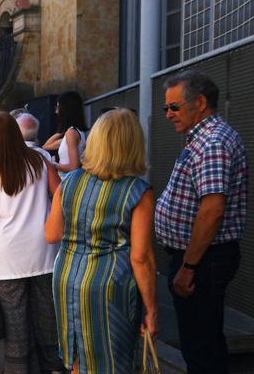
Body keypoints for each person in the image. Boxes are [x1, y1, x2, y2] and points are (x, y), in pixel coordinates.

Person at [45, 108, 158, 374]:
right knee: (111, 361)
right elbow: (141, 259)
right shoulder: (138, 192)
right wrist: (152, 310)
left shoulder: (69, 182)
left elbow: (51, 234)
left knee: (76, 359)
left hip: (67, 278)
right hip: (110, 286)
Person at [155, 70, 247, 374]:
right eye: (166, 108)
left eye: (174, 107)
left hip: (202, 262)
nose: (168, 115)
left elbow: (212, 209)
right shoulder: (203, 138)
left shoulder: (213, 142)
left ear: (201, 103)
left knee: (201, 347)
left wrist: (189, 267)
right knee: (203, 340)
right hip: (199, 260)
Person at [0, 112, 61, 374]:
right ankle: (54, 365)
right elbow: (60, 194)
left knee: (15, 320)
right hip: (45, 251)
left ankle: (20, 368)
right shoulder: (41, 159)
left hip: (7, 255)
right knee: (47, 314)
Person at [42, 91, 87, 177]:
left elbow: (74, 166)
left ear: (66, 110)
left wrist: (54, 165)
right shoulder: (72, 132)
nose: (56, 112)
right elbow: (46, 146)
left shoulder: (71, 133)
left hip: (67, 182)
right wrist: (62, 131)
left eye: (58, 107)